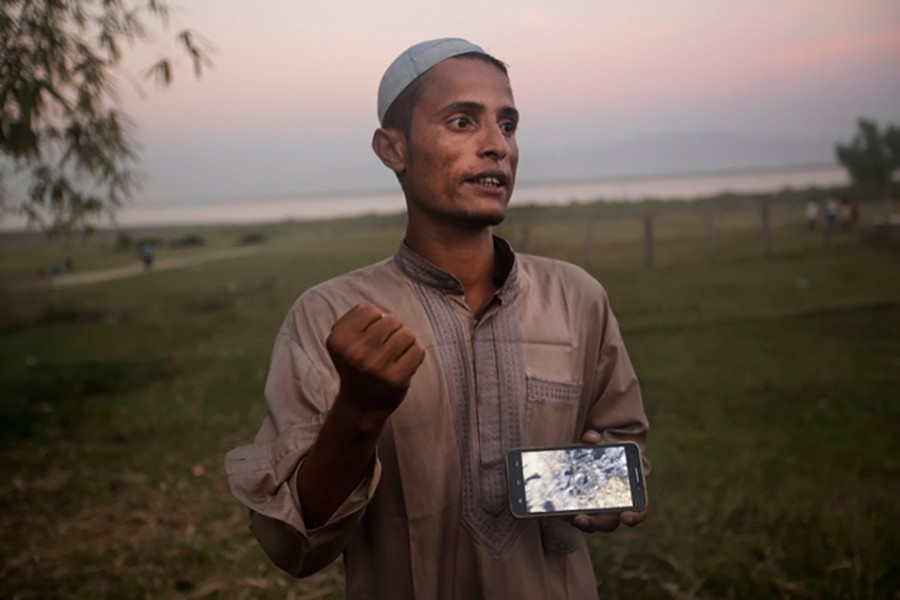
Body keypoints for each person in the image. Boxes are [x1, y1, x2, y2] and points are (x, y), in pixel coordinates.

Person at [225, 38, 649, 599]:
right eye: (461, 122)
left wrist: (609, 483)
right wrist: (359, 409)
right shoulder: (330, 315)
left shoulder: (576, 296)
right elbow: (293, 543)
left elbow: (624, 446)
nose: (496, 146)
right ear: (392, 149)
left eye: (508, 124)